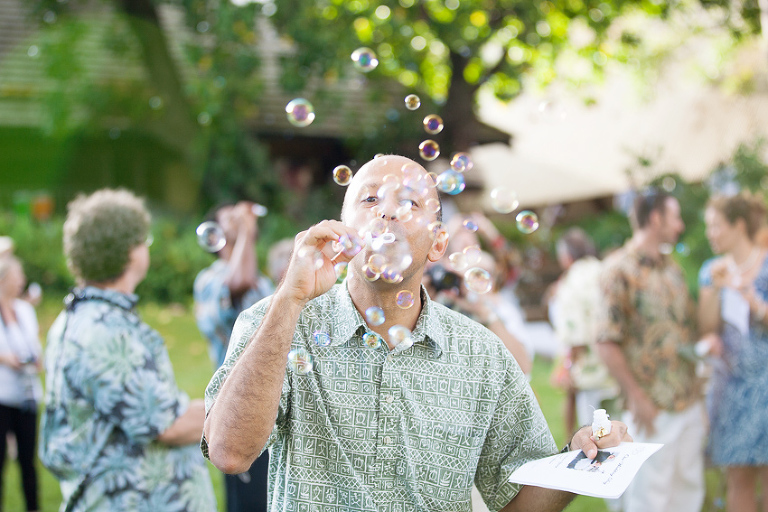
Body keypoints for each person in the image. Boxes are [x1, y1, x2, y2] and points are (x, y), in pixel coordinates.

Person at [202, 155, 631, 512]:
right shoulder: (279, 322)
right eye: (369, 199)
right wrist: (289, 301)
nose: (387, 211)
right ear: (341, 228)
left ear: (439, 243)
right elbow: (229, 452)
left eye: (408, 202)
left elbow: (517, 500)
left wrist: (581, 460)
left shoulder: (481, 354)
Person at [40, 189, 216, 512]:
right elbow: (167, 424)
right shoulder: (104, 331)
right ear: (131, 253)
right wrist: (243, 404)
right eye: (143, 241)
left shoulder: (82, 317)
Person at [596, 189, 709, 512]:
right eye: (675, 217)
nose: (680, 225)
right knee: (650, 497)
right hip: (651, 404)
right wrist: (637, 397)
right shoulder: (618, 270)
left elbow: (687, 329)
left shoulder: (672, 269)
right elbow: (605, 340)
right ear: (656, 219)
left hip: (686, 398)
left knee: (688, 489)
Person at [194, 201, 274, 512]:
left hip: (271, 400)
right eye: (228, 216)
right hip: (235, 405)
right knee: (247, 500)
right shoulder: (209, 279)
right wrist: (246, 233)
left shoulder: (262, 281)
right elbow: (237, 285)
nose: (238, 217)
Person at [699, 192, 768, 512]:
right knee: (738, 476)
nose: (710, 233)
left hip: (766, 383)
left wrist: (751, 299)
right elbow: (707, 326)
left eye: (716, 225)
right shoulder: (711, 270)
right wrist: (714, 290)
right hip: (732, 386)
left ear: (738, 225)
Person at [550, 228, 618, 435]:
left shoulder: (571, 282)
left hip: (592, 373)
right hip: (618, 368)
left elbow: (575, 334)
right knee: (621, 435)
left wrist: (568, 367)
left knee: (596, 438)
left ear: (566, 256)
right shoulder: (606, 269)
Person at [0, 255, 42, 512]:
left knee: (28, 462)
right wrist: (6, 359)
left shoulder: (25, 311)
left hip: (27, 395)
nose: (22, 282)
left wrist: (35, 360)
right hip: (2, 395)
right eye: (18, 277)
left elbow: (34, 345)